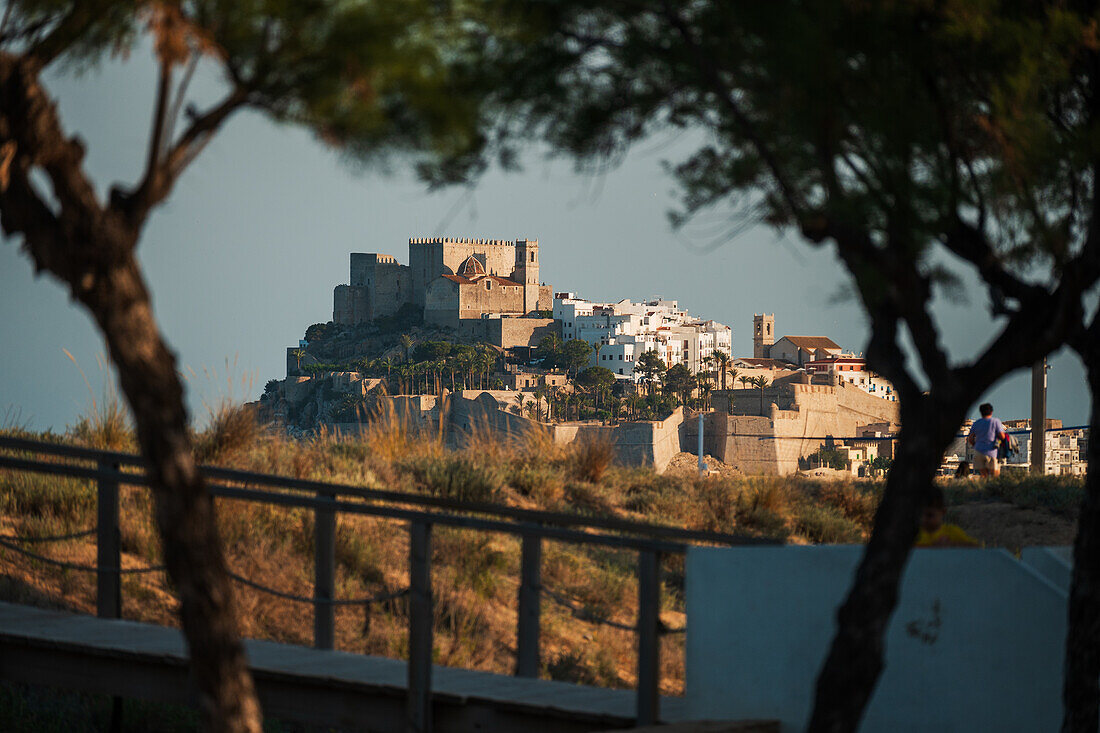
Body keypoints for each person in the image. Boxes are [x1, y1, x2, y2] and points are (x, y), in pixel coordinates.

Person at [966, 402, 1007, 478]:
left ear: (981, 412)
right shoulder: (995, 421)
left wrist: (976, 446)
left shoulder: (976, 423)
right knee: (995, 476)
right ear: (991, 412)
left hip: (978, 452)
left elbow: (970, 439)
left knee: (984, 476)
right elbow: (1002, 436)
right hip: (991, 452)